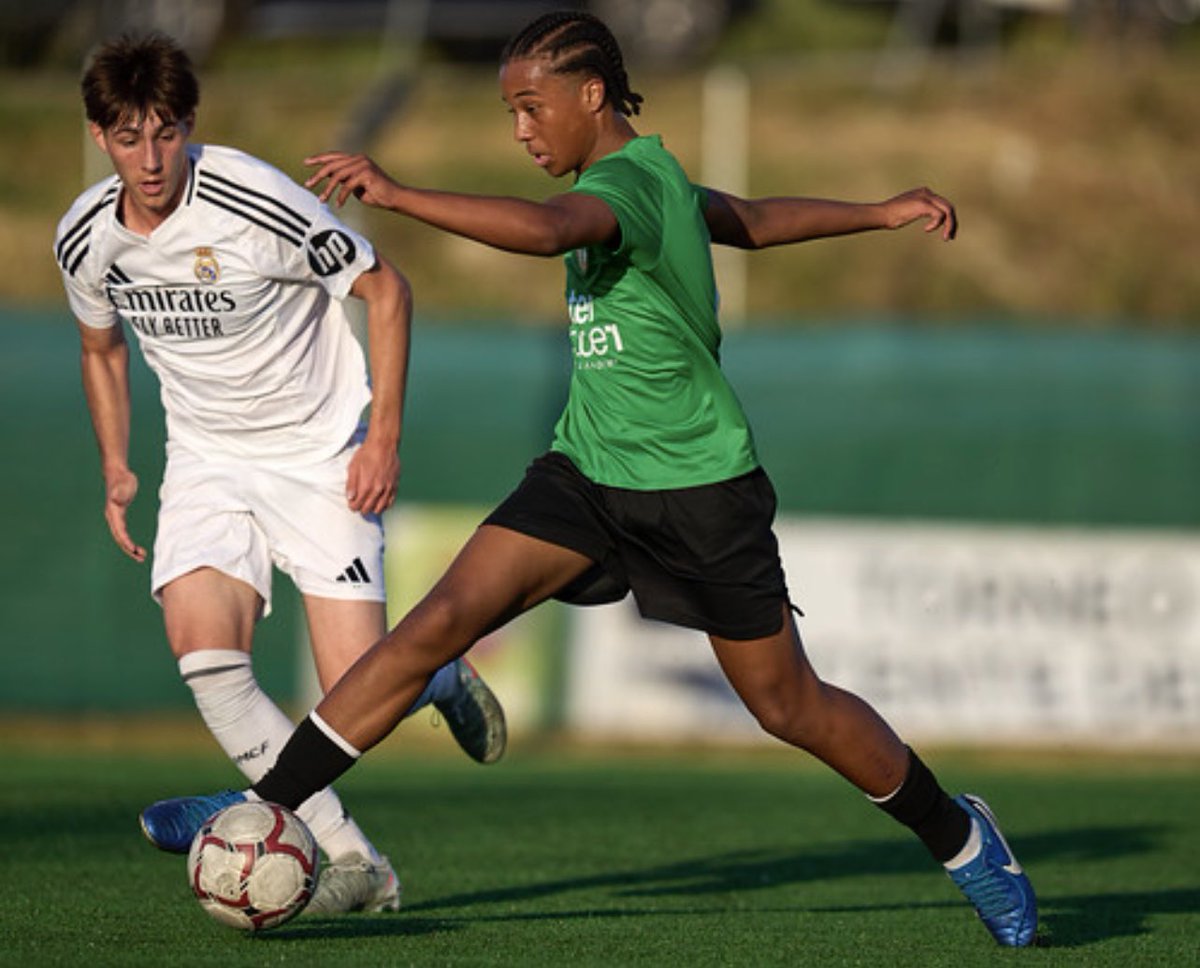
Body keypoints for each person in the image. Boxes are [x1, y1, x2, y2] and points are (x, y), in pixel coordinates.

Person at [153, 11, 1036, 946]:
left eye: (532, 108)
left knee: (789, 705)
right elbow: (749, 218)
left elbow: (546, 230)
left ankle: (960, 834)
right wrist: (878, 210)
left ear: (592, 95)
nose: (523, 130)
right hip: (585, 476)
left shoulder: (621, 187)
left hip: (699, 489)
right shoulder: (656, 184)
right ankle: (264, 800)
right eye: (510, 114)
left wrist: (400, 196)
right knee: (438, 622)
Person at [53, 32, 507, 916]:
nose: (150, 159)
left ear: (189, 124)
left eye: (166, 132)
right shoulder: (84, 236)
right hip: (206, 460)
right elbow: (99, 348)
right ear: (99, 136)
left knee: (356, 689)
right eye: (127, 137)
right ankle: (354, 860)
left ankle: (440, 675)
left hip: (319, 452)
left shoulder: (254, 200)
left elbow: (388, 289)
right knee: (209, 662)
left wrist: (383, 437)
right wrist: (115, 462)